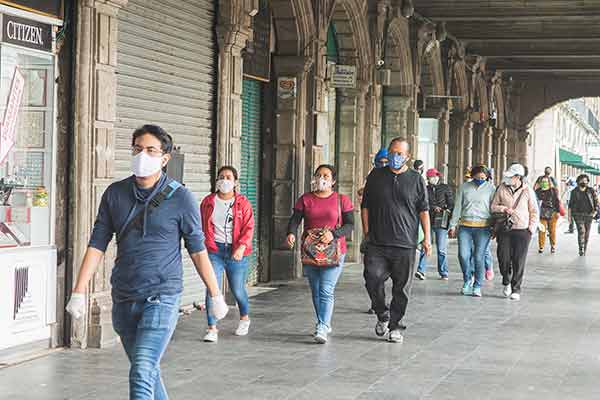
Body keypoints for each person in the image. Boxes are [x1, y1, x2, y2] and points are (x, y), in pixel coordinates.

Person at [65, 125, 228, 400]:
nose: (143, 155)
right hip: (124, 295)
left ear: (165, 158)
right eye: (138, 149)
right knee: (148, 371)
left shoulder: (181, 197)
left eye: (151, 150)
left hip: (162, 295)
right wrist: (79, 291)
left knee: (141, 370)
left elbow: (197, 250)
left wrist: (215, 294)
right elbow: (97, 244)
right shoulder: (114, 194)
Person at [361, 138, 431, 343]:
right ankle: (382, 313)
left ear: (407, 156)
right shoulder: (375, 176)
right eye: (392, 152)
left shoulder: (416, 179)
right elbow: (365, 206)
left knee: (402, 289)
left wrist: (427, 238)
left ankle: (396, 326)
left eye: (400, 153)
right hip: (377, 243)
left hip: (405, 244)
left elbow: (423, 210)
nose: (395, 156)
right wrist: (367, 232)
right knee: (372, 279)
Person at [287, 164, 354, 344]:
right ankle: (323, 321)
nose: (321, 179)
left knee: (326, 289)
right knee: (316, 290)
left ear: (333, 181)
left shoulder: (342, 200)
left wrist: (334, 234)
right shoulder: (305, 199)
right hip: (311, 252)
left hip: (334, 251)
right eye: (318, 175)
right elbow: (295, 220)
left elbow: (350, 225)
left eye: (326, 176)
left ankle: (322, 326)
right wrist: (291, 233)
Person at [200, 166, 254, 343]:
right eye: (221, 177)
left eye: (229, 177)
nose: (225, 180)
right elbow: (202, 226)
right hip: (214, 250)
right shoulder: (208, 202)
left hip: (236, 252)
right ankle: (211, 328)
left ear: (235, 182)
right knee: (211, 289)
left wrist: (241, 247)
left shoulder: (243, 203)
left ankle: (244, 318)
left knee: (237, 290)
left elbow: (248, 227)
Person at [491, 164, 538, 301]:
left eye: (510, 176)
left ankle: (516, 288)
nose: (507, 178)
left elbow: (534, 211)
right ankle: (506, 280)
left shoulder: (528, 190)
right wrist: (504, 209)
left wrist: (531, 229)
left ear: (518, 177)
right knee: (503, 257)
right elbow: (493, 207)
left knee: (519, 260)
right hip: (504, 229)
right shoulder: (501, 188)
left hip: (523, 230)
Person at [449, 165, 495, 297]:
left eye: (483, 177)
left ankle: (477, 285)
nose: (480, 179)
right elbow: (458, 206)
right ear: (472, 175)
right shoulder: (464, 187)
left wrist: (494, 227)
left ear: (486, 177)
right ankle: (467, 279)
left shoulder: (491, 189)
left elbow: (493, 208)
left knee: (478, 256)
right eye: (478, 177)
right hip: (465, 226)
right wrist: (453, 225)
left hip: (483, 227)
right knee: (463, 255)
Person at [416, 168, 453, 280]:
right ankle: (421, 270)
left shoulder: (445, 188)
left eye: (435, 176)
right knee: (425, 245)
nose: (433, 178)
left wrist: (445, 210)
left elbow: (451, 203)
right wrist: (433, 208)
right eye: (431, 177)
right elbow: (422, 203)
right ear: (427, 178)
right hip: (428, 220)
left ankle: (443, 272)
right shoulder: (425, 189)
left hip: (441, 221)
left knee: (441, 249)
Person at [569, 174, 598, 256]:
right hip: (578, 214)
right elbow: (570, 205)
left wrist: (595, 211)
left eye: (585, 180)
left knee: (587, 233)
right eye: (582, 180)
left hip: (589, 215)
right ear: (578, 181)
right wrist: (570, 217)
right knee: (581, 231)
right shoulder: (574, 191)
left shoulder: (591, 190)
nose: (583, 182)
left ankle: (584, 247)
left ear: (588, 181)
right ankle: (581, 248)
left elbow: (596, 201)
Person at [536, 176, 560, 254]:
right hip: (541, 213)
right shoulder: (537, 191)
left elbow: (557, 201)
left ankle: (553, 245)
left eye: (546, 181)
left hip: (552, 213)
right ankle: (541, 247)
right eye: (542, 182)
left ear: (549, 182)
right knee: (542, 230)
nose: (544, 183)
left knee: (552, 230)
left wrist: (558, 212)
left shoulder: (553, 190)